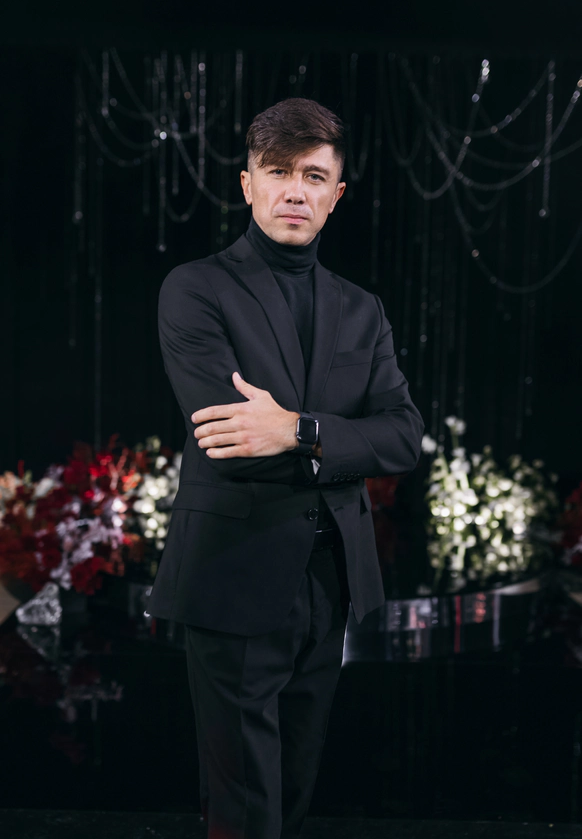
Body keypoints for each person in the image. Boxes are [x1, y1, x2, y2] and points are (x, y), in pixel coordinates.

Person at [147, 97, 424, 839]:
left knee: (294, 787)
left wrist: (297, 430)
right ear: (247, 185)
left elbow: (404, 436)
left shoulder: (362, 310)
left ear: (336, 195)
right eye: (277, 172)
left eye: (313, 175)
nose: (295, 191)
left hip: (330, 579)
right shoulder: (196, 288)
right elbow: (230, 433)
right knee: (245, 805)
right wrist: (338, 441)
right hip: (234, 570)